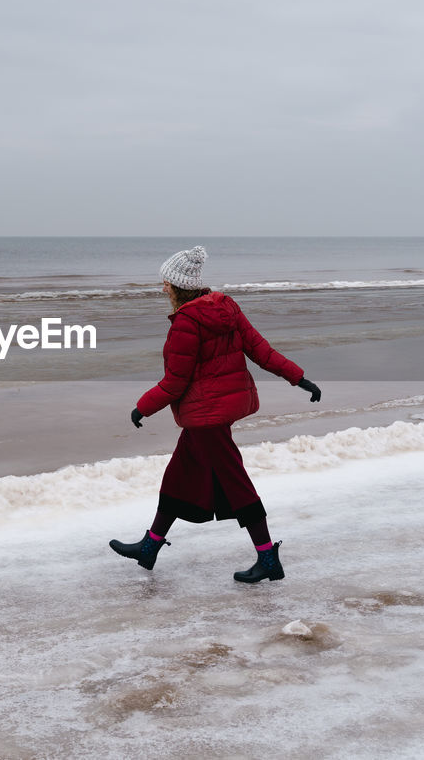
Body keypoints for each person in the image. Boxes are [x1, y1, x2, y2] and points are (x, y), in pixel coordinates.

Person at [109, 246, 322, 583]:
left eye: (166, 281)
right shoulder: (227, 307)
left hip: (206, 415)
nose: (163, 287)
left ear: (178, 285)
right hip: (211, 413)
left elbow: (175, 382)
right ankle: (149, 547)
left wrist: (143, 406)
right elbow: (260, 350)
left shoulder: (185, 323)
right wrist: (298, 377)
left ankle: (268, 558)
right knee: (177, 477)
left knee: (237, 485)